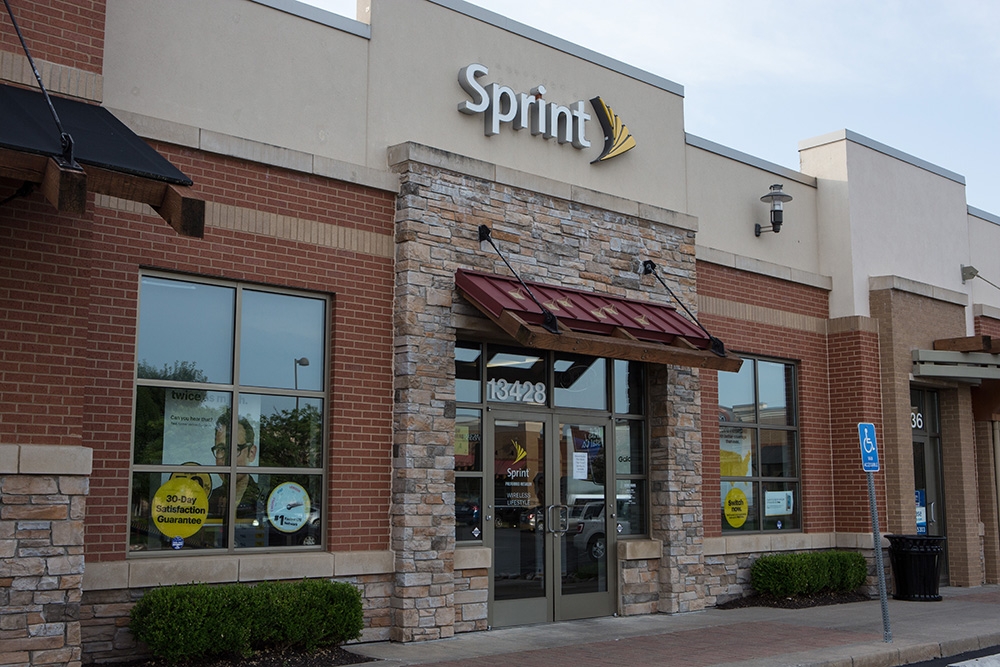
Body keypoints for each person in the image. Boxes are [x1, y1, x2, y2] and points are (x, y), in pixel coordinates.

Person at [209, 416, 262, 520]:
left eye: (235, 449)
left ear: (251, 453)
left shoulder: (261, 497)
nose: (226, 459)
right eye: (221, 449)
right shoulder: (210, 499)